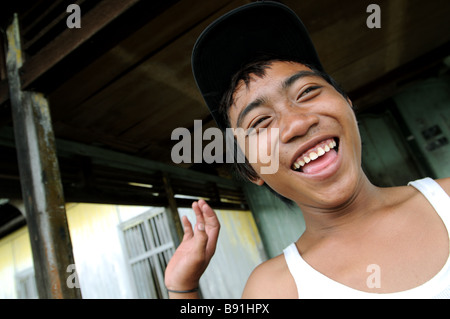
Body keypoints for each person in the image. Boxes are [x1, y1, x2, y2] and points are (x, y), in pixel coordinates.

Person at [164, 1, 450, 298]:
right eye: (260, 122)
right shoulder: (274, 288)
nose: (297, 124)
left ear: (347, 103)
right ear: (250, 169)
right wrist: (182, 288)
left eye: (307, 92)